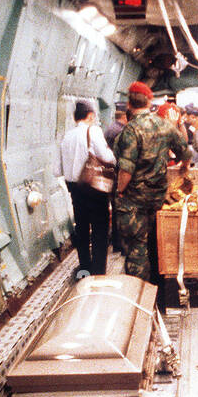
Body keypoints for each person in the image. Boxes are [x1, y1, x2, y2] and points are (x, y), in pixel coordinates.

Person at [113, 81, 191, 287]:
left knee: (137, 249)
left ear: (129, 104)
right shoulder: (164, 125)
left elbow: (126, 170)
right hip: (158, 199)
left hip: (134, 201)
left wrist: (119, 192)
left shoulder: (130, 130)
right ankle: (161, 293)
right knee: (158, 245)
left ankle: (141, 296)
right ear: (149, 102)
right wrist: (184, 167)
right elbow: (185, 151)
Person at [58, 98, 115, 277]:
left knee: (81, 227)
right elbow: (107, 157)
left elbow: (56, 169)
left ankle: (84, 268)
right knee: (100, 228)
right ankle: (98, 271)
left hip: (75, 189)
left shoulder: (66, 136)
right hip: (94, 187)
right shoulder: (94, 131)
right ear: (90, 116)